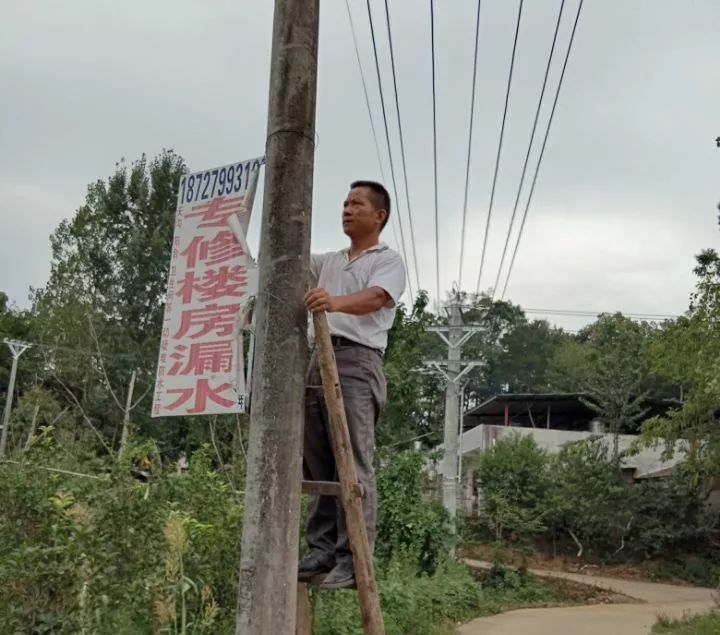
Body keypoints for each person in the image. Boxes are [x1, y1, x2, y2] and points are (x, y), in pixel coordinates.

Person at [299, 180, 406, 589]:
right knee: (318, 462)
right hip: (318, 358)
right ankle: (322, 550)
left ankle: (353, 557)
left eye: (356, 204)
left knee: (354, 461)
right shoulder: (329, 261)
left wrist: (333, 303)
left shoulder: (387, 260)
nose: (347, 209)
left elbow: (377, 298)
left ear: (379, 216)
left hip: (357, 361)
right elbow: (288, 263)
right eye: (344, 203)